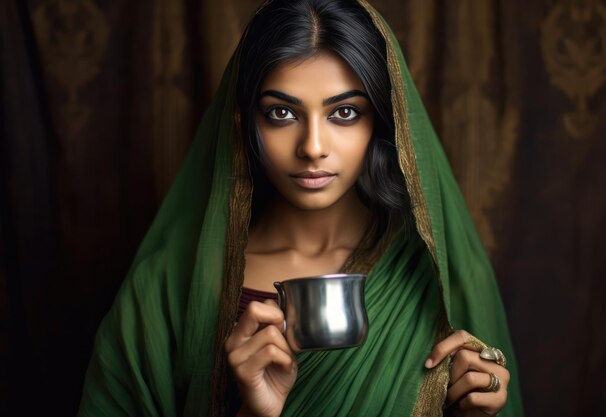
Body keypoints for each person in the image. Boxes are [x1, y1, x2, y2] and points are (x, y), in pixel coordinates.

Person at [79, 1, 523, 416]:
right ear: (245, 124)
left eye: (344, 113)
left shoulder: (440, 280)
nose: (312, 148)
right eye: (282, 114)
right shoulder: (167, 289)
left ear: (386, 123)